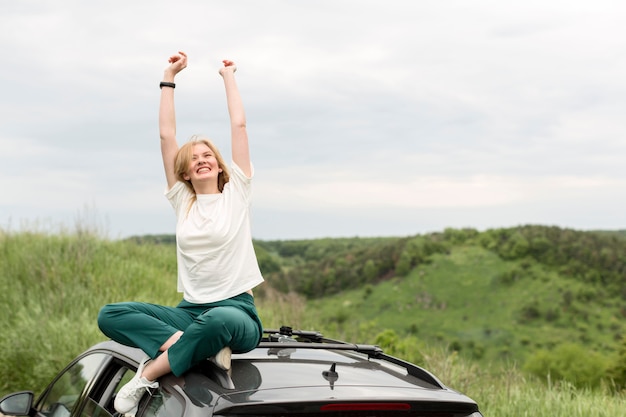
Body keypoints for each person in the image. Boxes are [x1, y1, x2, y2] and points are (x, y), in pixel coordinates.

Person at [97, 51, 264, 414]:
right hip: (190, 313)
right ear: (185, 173)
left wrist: (228, 76)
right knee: (110, 314)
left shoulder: (237, 194)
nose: (201, 159)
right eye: (192, 159)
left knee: (220, 320)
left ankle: (150, 372)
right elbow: (165, 135)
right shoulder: (182, 201)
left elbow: (239, 127)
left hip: (236, 312)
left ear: (220, 166)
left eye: (208, 155)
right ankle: (196, 345)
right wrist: (169, 77)